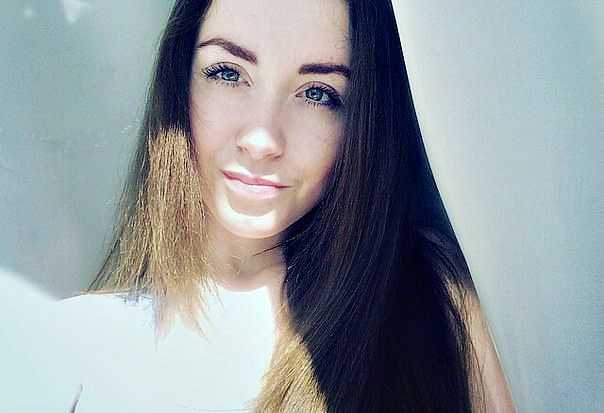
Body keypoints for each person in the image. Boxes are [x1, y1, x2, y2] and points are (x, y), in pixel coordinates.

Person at [64, 0, 517, 411]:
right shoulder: (73, 346)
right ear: (179, 80)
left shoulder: (431, 307)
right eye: (228, 73)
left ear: (362, 123)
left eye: (317, 93)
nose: (262, 138)